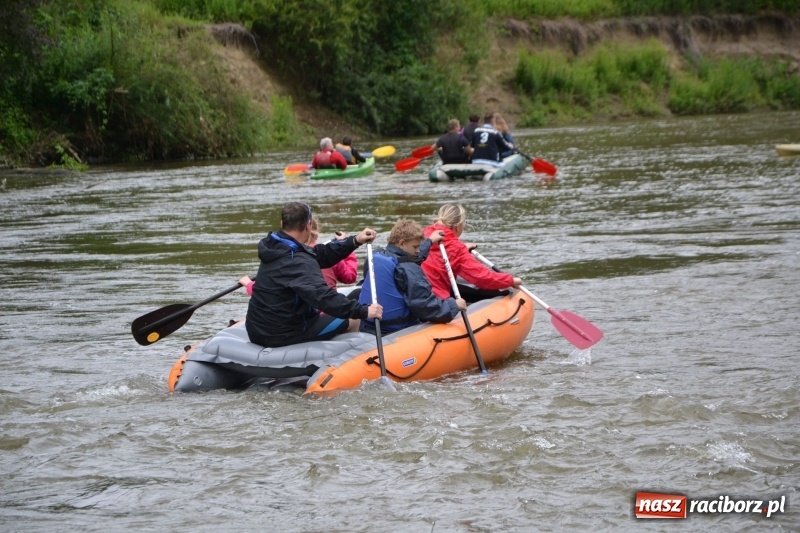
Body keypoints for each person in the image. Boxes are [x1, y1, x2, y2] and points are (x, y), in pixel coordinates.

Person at [243, 201, 382, 348]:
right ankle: (349, 358)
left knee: (349, 302)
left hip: (257, 330)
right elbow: (323, 297)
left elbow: (320, 254)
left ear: (282, 223)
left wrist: (354, 241)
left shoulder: (275, 246)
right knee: (353, 318)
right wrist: (363, 310)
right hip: (283, 335)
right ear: (308, 225)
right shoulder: (298, 261)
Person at [358, 219, 466, 335]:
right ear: (401, 243)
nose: (418, 250)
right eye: (415, 247)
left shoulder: (376, 255)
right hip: (396, 330)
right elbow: (425, 306)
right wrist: (453, 305)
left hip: (368, 325)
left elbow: (409, 259)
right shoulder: (409, 269)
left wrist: (429, 241)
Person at [421, 203, 522, 303]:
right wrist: (510, 280)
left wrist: (463, 247)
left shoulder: (423, 235)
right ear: (457, 227)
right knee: (501, 292)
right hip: (436, 298)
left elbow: (440, 253)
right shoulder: (456, 248)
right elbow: (482, 278)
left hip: (417, 292)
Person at [307, 215, 358, 288]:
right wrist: (346, 247)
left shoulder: (289, 253)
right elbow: (350, 277)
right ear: (316, 233)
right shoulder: (328, 253)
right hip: (328, 297)